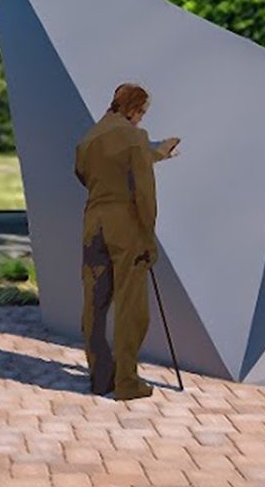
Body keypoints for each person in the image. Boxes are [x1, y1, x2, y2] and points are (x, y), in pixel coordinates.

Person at [74, 82, 179, 400]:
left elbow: (84, 174)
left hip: (94, 221)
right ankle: (127, 382)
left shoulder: (89, 139)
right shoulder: (135, 137)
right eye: (142, 112)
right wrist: (148, 237)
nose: (142, 118)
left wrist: (159, 151)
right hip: (125, 224)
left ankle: (100, 377)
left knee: (95, 303)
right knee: (131, 307)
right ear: (133, 109)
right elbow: (144, 193)